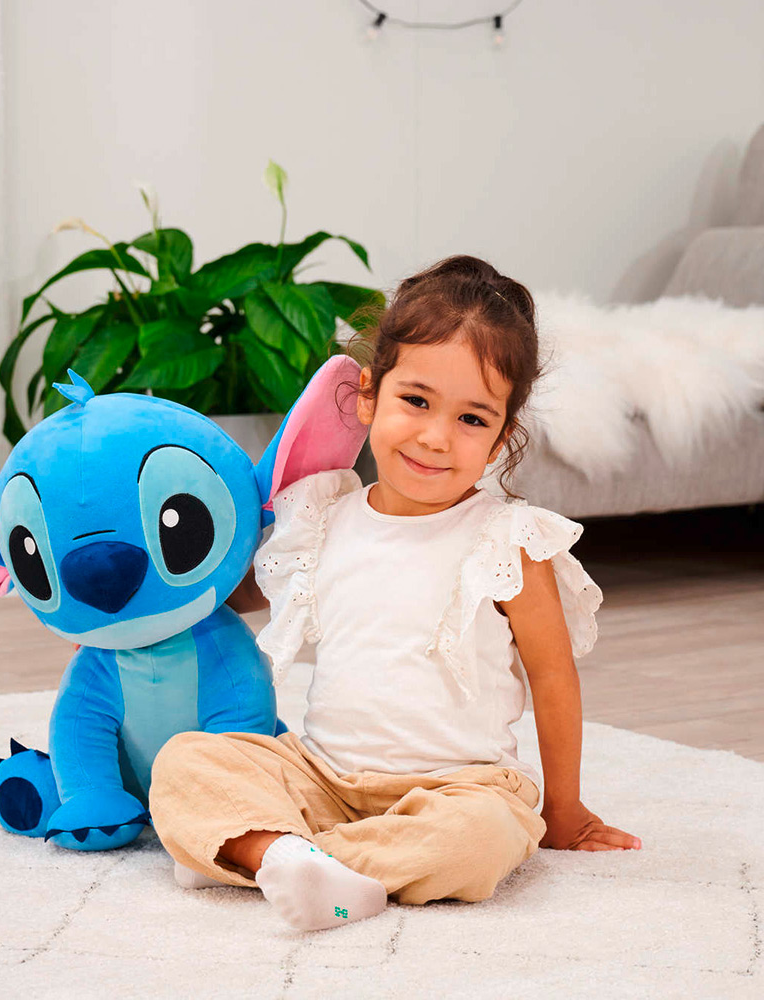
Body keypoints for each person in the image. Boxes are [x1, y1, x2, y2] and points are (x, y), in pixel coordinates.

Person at [148, 255, 641, 932]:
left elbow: (554, 677)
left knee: (482, 840)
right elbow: (233, 596)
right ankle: (296, 857)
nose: (436, 437)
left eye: (473, 419)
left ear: (502, 436)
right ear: (369, 394)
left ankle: (264, 853)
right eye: (417, 401)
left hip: (459, 788)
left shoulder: (509, 540)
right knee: (188, 760)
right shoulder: (323, 517)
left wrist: (564, 809)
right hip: (324, 778)